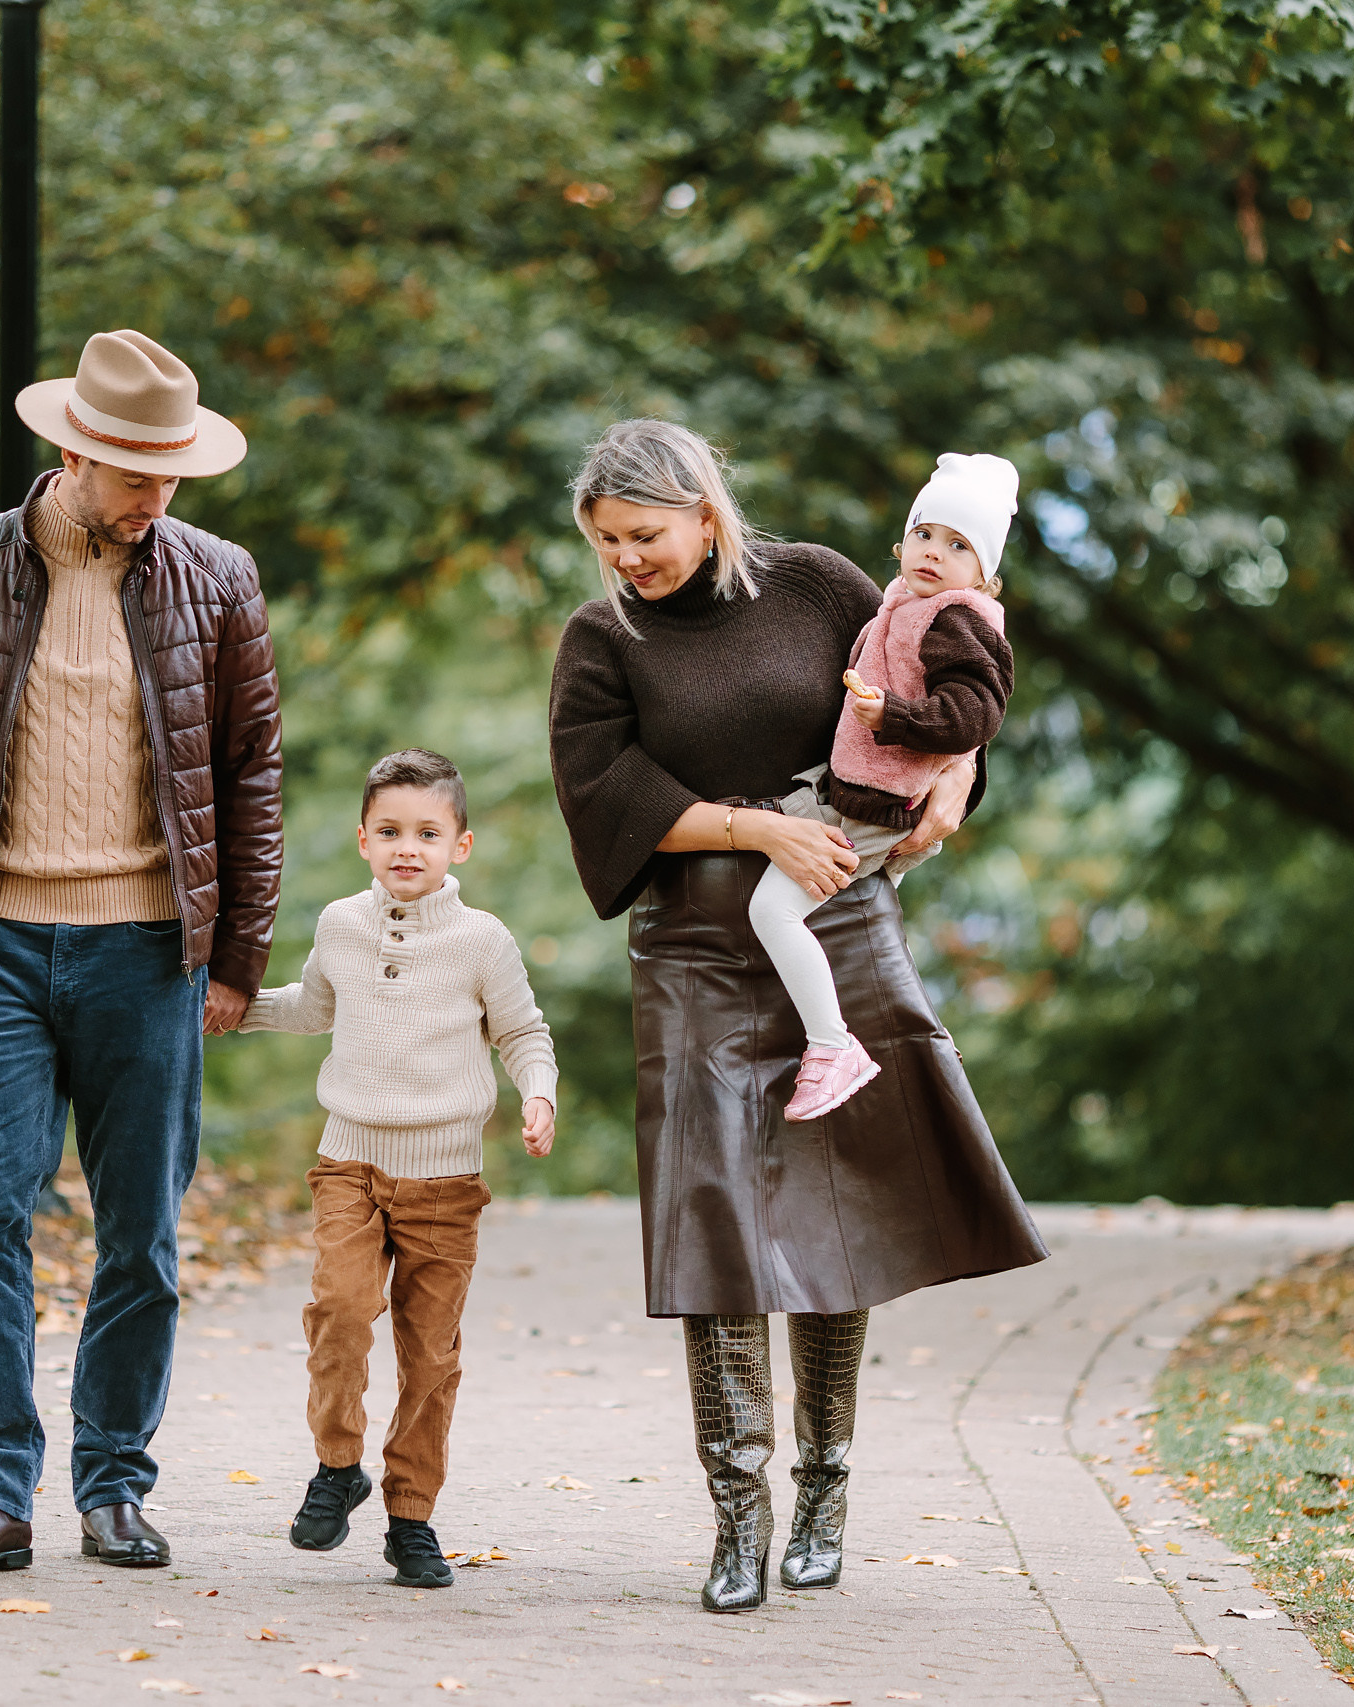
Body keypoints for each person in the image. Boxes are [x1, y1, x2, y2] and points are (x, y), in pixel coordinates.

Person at [545, 418, 1047, 1614]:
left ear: (704, 511)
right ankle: (738, 1517)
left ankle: (824, 1492)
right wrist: (752, 826)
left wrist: (959, 782)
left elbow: (946, 673)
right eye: (607, 540)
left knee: (837, 1219)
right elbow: (602, 793)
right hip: (694, 944)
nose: (628, 558)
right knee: (714, 1229)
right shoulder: (601, 640)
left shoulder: (819, 584)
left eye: (646, 534)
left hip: (840, 925)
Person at [0, 328, 283, 1575]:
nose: (153, 499)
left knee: (141, 1233)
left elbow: (251, 776)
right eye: (135, 473)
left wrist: (236, 954)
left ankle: (115, 1484)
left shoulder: (218, 579)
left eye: (170, 476)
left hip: (148, 952)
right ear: (73, 448)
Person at [239, 749, 558, 1589]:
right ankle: (338, 1462)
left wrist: (539, 1093)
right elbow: (309, 1008)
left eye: (427, 831)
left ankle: (411, 1514)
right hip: (349, 1159)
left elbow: (523, 1033)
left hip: (445, 1182)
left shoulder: (482, 941)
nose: (406, 846)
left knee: (431, 1353)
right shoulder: (340, 924)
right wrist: (229, 1008)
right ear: (362, 840)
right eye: (389, 831)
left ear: (462, 844)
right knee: (339, 1310)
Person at [749, 452, 1019, 1122]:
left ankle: (833, 1045)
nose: (935, 553)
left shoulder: (959, 619)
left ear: (986, 576)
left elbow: (975, 714)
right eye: (926, 534)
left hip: (882, 805)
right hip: (852, 787)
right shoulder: (900, 601)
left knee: (771, 911)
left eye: (960, 546)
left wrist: (894, 717)